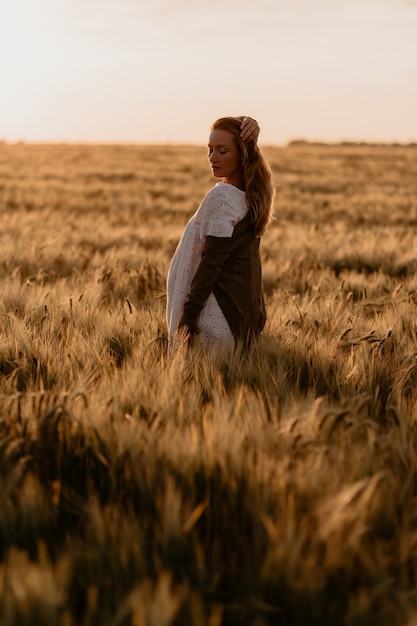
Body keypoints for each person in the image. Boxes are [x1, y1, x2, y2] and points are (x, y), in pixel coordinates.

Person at [166, 115, 275, 350]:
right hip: (238, 320)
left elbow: (211, 264)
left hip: (213, 320)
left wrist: (187, 320)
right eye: (210, 150)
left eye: (222, 151)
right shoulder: (251, 196)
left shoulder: (223, 197)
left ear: (242, 155)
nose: (212, 158)